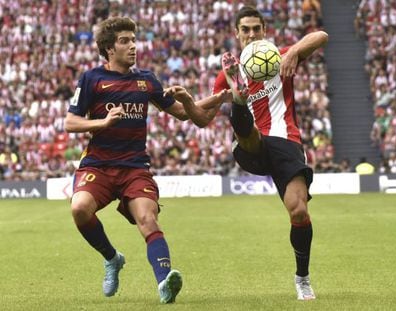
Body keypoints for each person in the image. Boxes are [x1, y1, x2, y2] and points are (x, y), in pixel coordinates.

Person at [64, 16, 229, 304]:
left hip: (134, 168)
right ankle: (112, 258)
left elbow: (181, 112)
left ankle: (164, 283)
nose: (133, 46)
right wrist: (101, 124)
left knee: (147, 218)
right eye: (124, 41)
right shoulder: (92, 79)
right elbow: (70, 122)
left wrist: (215, 99)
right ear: (109, 48)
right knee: (79, 208)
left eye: (134, 40)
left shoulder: (146, 80)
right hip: (98, 166)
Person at [213, 6, 328, 300]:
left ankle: (302, 278)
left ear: (264, 30)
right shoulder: (225, 71)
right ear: (237, 34)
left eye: (256, 29)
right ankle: (239, 98)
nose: (251, 34)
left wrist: (293, 53)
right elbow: (203, 117)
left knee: (299, 211)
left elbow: (321, 35)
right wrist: (187, 104)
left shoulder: (281, 56)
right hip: (251, 142)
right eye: (245, 30)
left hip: (286, 140)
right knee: (246, 128)